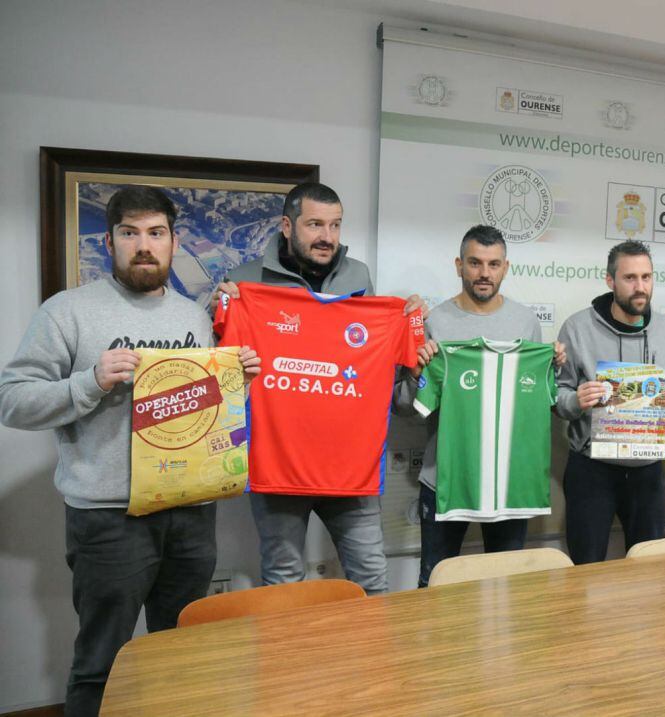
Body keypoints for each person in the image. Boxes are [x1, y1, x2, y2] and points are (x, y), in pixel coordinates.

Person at [0, 186, 260, 717]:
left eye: (156, 233)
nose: (144, 245)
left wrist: (236, 385)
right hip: (108, 518)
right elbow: (13, 402)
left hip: (190, 513)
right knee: (102, 663)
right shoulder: (66, 312)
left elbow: (196, 408)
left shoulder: (194, 316)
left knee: (181, 655)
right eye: (130, 233)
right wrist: (89, 381)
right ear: (111, 241)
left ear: (174, 241)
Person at [212, 182, 422, 594]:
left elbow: (371, 360)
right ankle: (287, 661)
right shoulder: (244, 283)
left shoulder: (358, 275)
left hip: (351, 462)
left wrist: (406, 319)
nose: (327, 236)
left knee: (371, 578)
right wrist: (224, 313)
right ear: (288, 226)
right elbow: (219, 381)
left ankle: (369, 659)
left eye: (335, 225)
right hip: (278, 461)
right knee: (284, 580)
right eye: (315, 225)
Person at [396, 225, 565, 586]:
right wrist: (415, 373)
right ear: (459, 265)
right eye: (475, 263)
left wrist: (554, 366)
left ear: (505, 268)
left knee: (504, 586)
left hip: (509, 482)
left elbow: (542, 399)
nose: (484, 273)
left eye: (493, 264)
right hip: (446, 477)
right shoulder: (433, 322)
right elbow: (407, 408)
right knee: (435, 583)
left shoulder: (526, 323)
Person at [556, 240, 665, 564]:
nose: (641, 287)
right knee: (586, 564)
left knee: (649, 568)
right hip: (592, 468)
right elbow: (556, 395)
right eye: (630, 278)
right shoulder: (577, 328)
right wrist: (576, 400)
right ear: (610, 281)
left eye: (647, 277)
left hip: (648, 471)